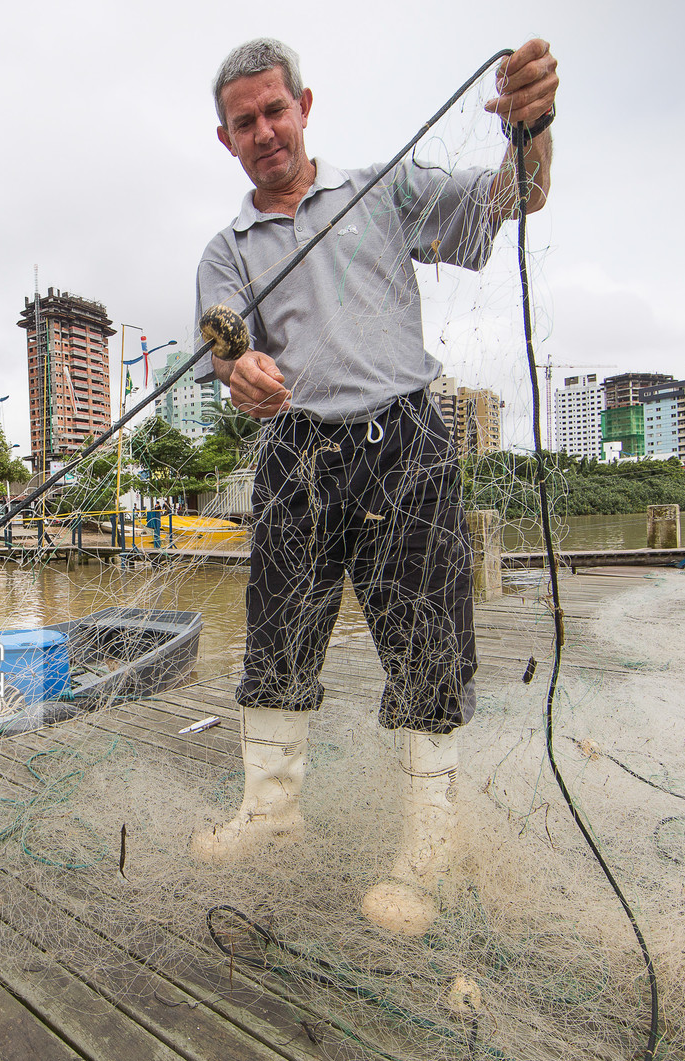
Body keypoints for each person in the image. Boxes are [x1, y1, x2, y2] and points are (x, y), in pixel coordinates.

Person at [190, 38, 558, 936]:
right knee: (276, 633)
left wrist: (533, 126)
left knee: (428, 638)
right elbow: (221, 345)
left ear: (304, 106)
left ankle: (430, 843)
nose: (265, 131)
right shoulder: (226, 249)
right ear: (225, 138)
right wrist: (242, 369)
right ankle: (271, 808)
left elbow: (515, 198)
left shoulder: (382, 191)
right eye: (246, 122)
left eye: (276, 110)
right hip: (295, 453)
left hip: (405, 439)